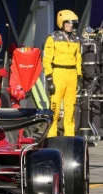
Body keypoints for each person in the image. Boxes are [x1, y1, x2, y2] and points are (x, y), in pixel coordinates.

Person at [43, 9, 82, 137]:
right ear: (62, 23)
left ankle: (69, 137)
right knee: (54, 109)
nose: (71, 25)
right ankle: (51, 137)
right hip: (58, 74)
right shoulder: (52, 38)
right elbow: (47, 60)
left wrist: (79, 76)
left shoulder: (76, 40)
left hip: (72, 75)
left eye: (72, 23)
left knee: (70, 110)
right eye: (68, 22)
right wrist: (49, 79)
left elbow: (78, 59)